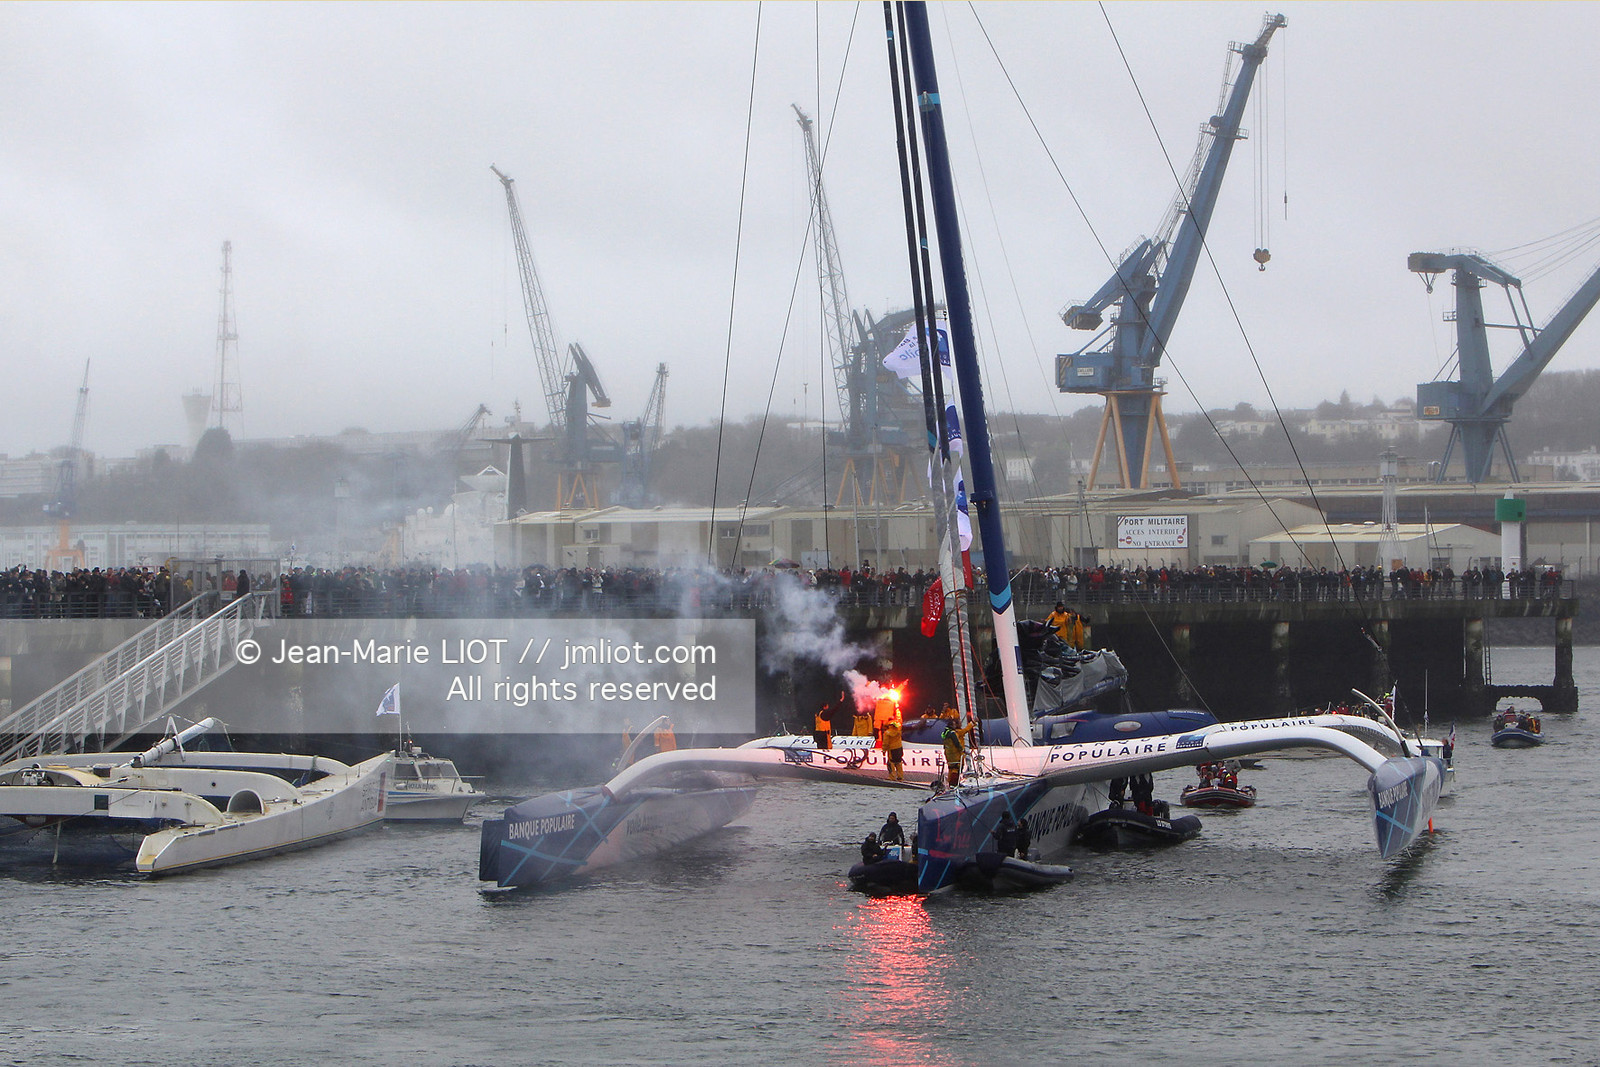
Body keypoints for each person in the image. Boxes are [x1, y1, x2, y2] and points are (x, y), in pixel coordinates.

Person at [941, 719, 975, 787]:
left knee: (951, 768)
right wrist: (973, 723)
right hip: (956, 754)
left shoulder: (945, 733)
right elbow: (957, 742)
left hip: (948, 754)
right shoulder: (954, 733)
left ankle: (950, 783)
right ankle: (954, 784)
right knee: (956, 769)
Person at [882, 716, 904, 781]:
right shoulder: (899, 729)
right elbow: (900, 721)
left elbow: (886, 743)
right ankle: (900, 777)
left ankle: (892, 777)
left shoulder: (887, 733)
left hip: (892, 749)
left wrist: (884, 750)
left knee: (890, 763)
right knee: (898, 762)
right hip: (899, 748)